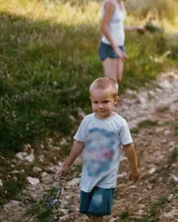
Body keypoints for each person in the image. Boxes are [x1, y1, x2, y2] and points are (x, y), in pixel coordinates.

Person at [57, 78, 140, 222]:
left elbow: (128, 146)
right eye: (96, 102)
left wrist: (134, 168)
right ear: (91, 100)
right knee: (88, 211)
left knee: (96, 213)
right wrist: (67, 164)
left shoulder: (119, 123)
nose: (100, 106)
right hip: (88, 177)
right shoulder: (87, 121)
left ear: (115, 100)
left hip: (106, 179)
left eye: (105, 102)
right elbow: (78, 143)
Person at [99, 0, 145, 84]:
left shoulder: (120, 4)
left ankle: (109, 99)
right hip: (109, 46)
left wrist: (135, 28)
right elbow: (103, 27)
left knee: (118, 79)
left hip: (119, 46)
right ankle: (104, 100)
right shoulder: (110, 4)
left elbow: (118, 27)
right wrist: (115, 47)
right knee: (112, 82)